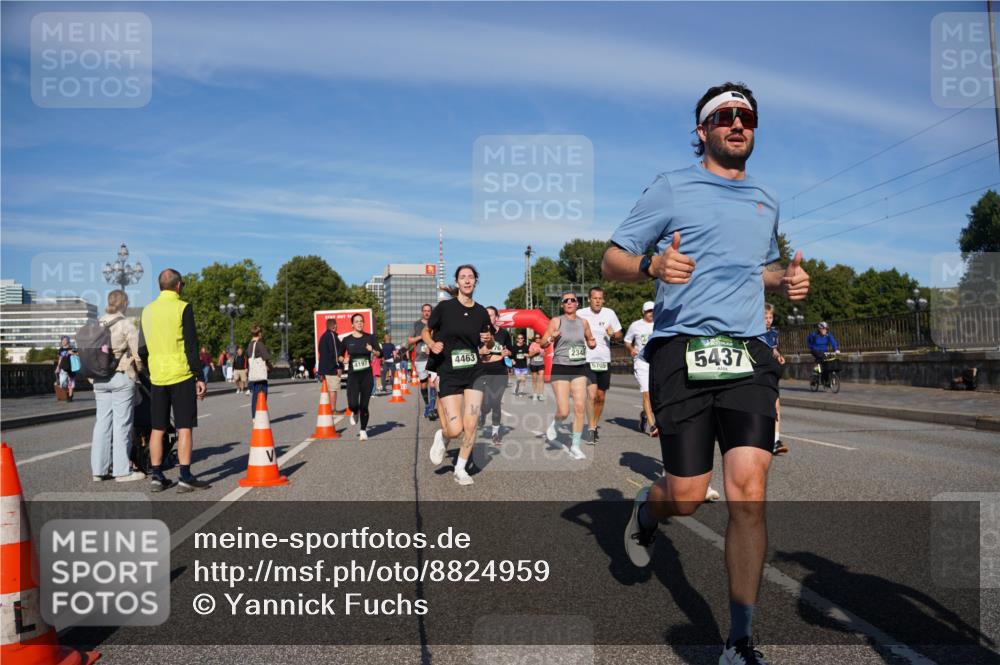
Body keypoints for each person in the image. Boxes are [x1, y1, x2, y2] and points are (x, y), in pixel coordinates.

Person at [602, 82, 809, 663]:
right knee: (690, 496)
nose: (737, 124)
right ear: (703, 130)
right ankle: (650, 509)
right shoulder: (672, 186)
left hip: (746, 352)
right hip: (681, 350)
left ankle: (739, 641)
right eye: (724, 116)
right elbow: (611, 259)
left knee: (748, 492)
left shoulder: (767, 199)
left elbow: (760, 268)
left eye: (747, 116)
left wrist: (784, 281)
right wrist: (651, 264)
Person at [139, 269, 212, 493]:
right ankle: (185, 476)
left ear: (160, 286)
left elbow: (142, 349)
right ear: (178, 285)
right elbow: (191, 345)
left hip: (158, 376)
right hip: (180, 375)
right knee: (184, 427)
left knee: (158, 428)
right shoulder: (183, 307)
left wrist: (152, 369)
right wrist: (199, 376)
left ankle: (157, 476)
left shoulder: (147, 310)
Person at [425, 265, 492, 486]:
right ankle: (443, 436)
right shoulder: (444, 308)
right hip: (449, 372)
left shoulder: (481, 311)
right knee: (455, 429)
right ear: (457, 282)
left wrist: (488, 340)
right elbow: (426, 331)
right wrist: (432, 343)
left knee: (471, 424)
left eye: (470, 277)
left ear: (475, 282)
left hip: (474, 372)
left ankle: (460, 469)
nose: (467, 281)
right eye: (462, 277)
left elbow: (489, 342)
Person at [90, 290, 146, 483]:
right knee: (122, 424)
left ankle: (98, 470)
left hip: (99, 379)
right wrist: (138, 372)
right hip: (121, 376)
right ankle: (122, 472)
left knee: (102, 423)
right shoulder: (126, 324)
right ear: (125, 303)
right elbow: (137, 354)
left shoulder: (97, 324)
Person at [539, 292, 597, 460]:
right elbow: (542, 343)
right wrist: (551, 337)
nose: (570, 302)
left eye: (573, 300)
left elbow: (590, 339)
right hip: (561, 368)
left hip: (579, 368)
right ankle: (555, 424)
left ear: (577, 303)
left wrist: (592, 343)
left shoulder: (584, 322)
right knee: (564, 411)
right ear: (562, 305)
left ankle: (575, 445)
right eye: (566, 300)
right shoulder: (556, 321)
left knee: (580, 407)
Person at [576, 287, 623, 444]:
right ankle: (590, 428)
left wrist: (613, 335)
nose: (597, 301)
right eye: (595, 298)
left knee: (601, 397)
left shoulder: (609, 314)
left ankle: (594, 424)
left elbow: (619, 334)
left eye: (600, 298)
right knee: (592, 394)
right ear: (589, 299)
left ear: (603, 299)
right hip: (587, 359)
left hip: (604, 360)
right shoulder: (581, 314)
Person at [340, 313, 380, 440]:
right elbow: (339, 356)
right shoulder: (347, 340)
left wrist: (372, 350)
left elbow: (380, 353)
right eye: (357, 321)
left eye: (361, 321)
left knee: (364, 405)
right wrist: (343, 358)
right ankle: (354, 411)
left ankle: (363, 430)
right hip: (353, 375)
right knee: (352, 403)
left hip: (366, 375)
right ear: (352, 324)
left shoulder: (370, 338)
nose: (359, 323)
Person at [479, 306, 514, 446]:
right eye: (486, 315)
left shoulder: (504, 334)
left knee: (496, 402)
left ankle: (495, 433)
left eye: (491, 315)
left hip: (500, 372)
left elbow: (510, 350)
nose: (488, 318)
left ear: (497, 318)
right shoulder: (479, 334)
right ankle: (483, 413)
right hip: (483, 372)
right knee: (486, 404)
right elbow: (477, 352)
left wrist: (507, 353)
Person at [624, 301, 657, 436]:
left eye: (653, 311)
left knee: (657, 396)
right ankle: (652, 426)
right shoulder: (636, 326)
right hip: (642, 362)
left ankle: (644, 415)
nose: (651, 313)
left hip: (657, 362)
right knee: (647, 394)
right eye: (649, 311)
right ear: (643, 312)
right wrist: (631, 349)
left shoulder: (660, 324)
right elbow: (627, 340)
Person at [763, 304, 788, 455]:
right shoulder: (752, 332)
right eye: (765, 317)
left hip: (770, 373)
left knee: (776, 406)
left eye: (770, 317)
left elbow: (772, 349)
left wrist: (778, 355)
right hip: (757, 374)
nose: (768, 320)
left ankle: (775, 441)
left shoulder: (773, 333)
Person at [407, 303, 438, 419]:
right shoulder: (416, 324)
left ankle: (431, 408)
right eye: (425, 311)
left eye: (429, 311)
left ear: (431, 312)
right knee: (424, 384)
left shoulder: (436, 324)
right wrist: (422, 336)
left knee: (433, 382)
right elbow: (409, 340)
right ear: (422, 312)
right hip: (420, 358)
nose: (427, 313)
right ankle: (427, 404)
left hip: (433, 357)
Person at [317, 318, 345, 413]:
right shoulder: (332, 336)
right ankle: (333, 409)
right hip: (331, 368)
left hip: (324, 368)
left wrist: (321, 371)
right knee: (333, 389)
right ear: (334, 326)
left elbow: (321, 352)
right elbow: (335, 353)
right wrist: (338, 367)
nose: (337, 327)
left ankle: (327, 409)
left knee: (327, 390)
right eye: (336, 325)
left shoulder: (323, 337)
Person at [246, 325, 272, 419]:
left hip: (254, 373)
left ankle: (254, 417)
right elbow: (266, 357)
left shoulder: (249, 345)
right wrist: (270, 367)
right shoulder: (259, 344)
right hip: (260, 374)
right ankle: (260, 416)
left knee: (255, 397)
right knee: (262, 396)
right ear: (259, 333)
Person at [807, 321, 839, 387]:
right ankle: (815, 376)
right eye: (824, 329)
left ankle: (825, 380)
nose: (825, 330)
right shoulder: (814, 335)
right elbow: (808, 340)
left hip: (824, 351)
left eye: (826, 329)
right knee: (821, 358)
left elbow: (833, 341)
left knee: (827, 362)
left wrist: (836, 349)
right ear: (820, 329)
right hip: (815, 350)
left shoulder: (828, 334)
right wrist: (811, 347)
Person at [55, 335, 78, 401]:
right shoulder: (60, 350)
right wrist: (58, 367)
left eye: (65, 340)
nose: (64, 341)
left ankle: (70, 396)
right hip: (63, 368)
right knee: (62, 383)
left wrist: (72, 353)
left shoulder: (72, 348)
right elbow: (60, 359)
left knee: (71, 383)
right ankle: (68, 392)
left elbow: (78, 354)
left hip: (72, 368)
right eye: (62, 340)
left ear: (68, 341)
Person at [511, 333, 530, 397]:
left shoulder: (526, 346)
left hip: (524, 366)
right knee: (519, 379)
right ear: (517, 339)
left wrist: (527, 355)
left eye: (521, 338)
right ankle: (517, 386)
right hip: (517, 366)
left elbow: (529, 355)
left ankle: (521, 392)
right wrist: (513, 360)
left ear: (523, 339)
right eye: (519, 338)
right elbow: (511, 356)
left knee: (523, 380)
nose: (520, 339)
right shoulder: (514, 347)